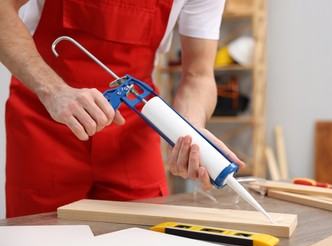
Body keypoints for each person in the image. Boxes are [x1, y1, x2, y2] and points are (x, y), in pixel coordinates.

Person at [0, 0, 244, 218]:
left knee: (143, 241)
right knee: (39, 240)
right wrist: (53, 91)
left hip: (133, 129)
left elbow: (198, 74)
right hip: (45, 123)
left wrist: (188, 131)